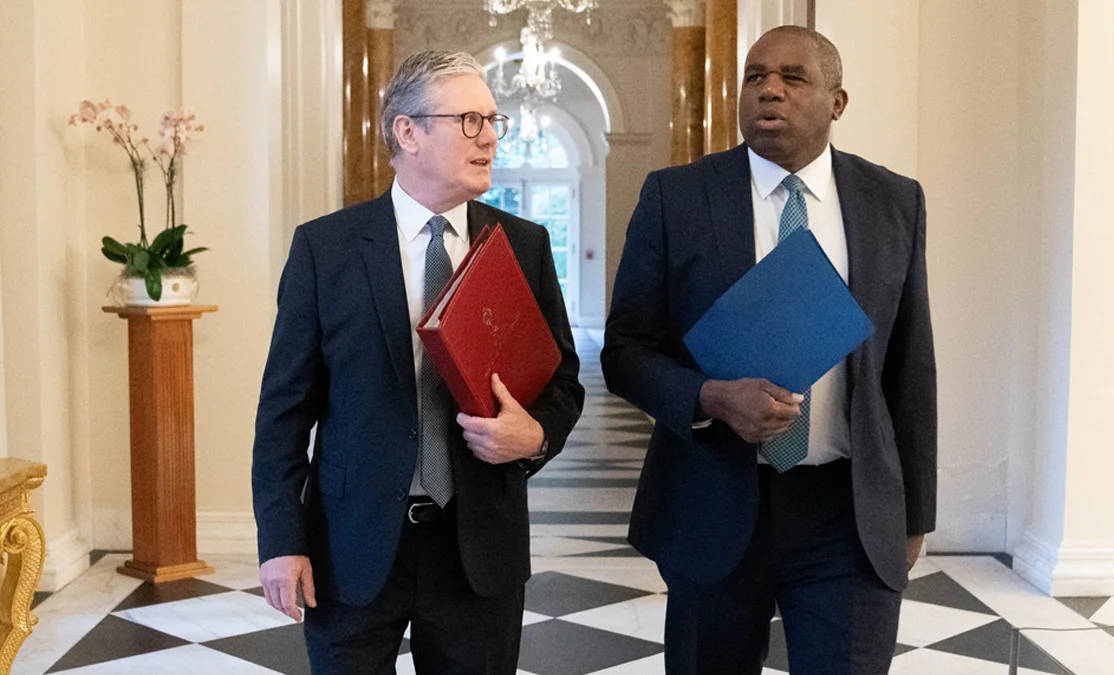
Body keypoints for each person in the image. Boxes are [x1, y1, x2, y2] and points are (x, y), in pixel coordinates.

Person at [602, 26, 936, 675]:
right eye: (755, 77)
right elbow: (625, 349)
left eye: (792, 77)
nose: (769, 90)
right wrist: (708, 397)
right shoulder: (677, 198)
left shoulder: (893, 201)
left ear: (837, 102)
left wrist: (915, 509)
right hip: (714, 504)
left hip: (848, 513)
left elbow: (910, 363)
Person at [251, 50, 583, 675]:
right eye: (468, 120)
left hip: (479, 549)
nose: (489, 137)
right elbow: (282, 417)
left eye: (492, 120)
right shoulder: (326, 249)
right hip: (351, 549)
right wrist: (280, 543)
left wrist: (534, 435)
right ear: (408, 131)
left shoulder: (524, 244)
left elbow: (562, 382)